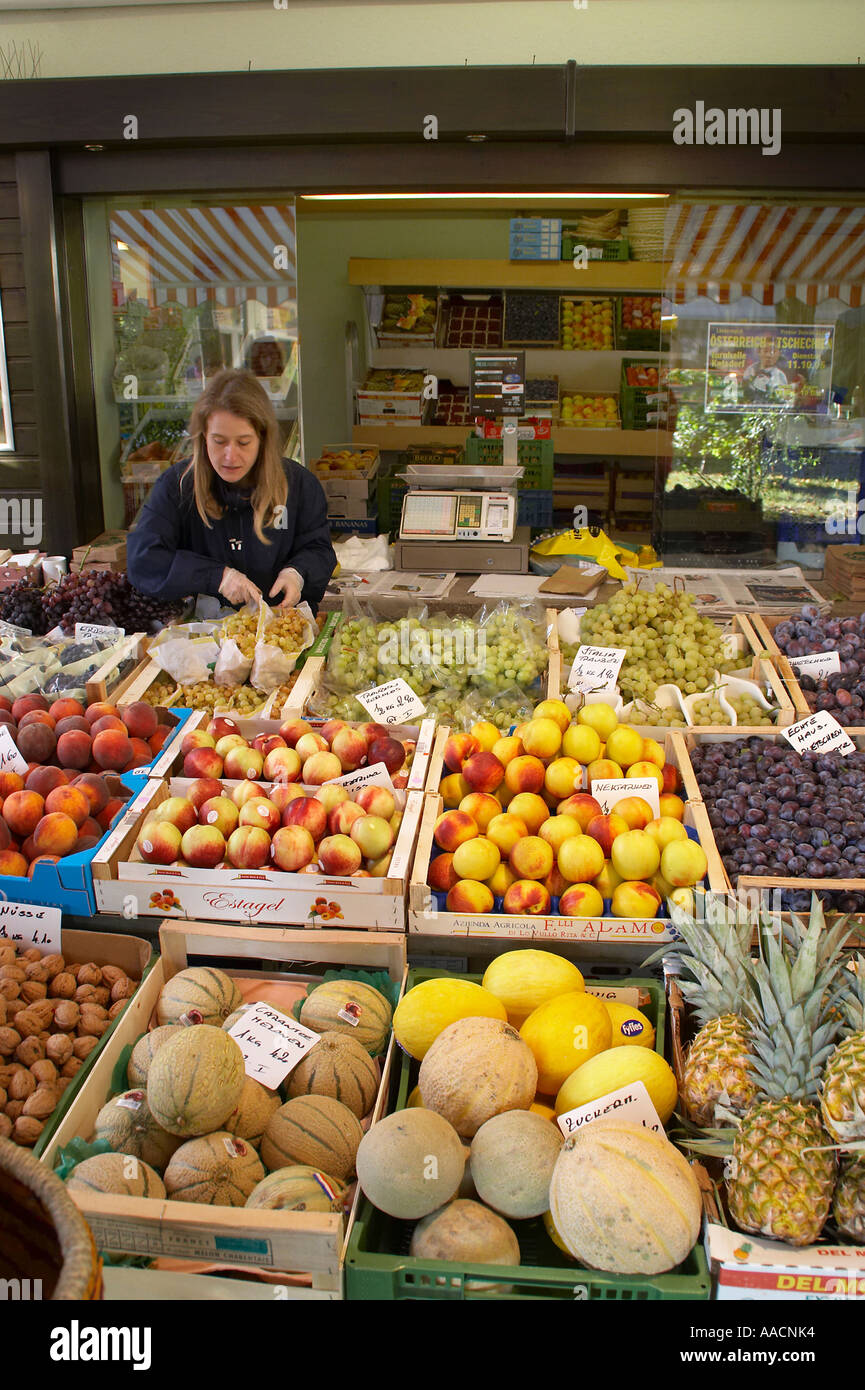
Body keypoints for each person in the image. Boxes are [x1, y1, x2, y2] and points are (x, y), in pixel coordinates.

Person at [127, 369, 336, 612]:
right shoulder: (177, 486)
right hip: (200, 639)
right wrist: (217, 576)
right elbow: (143, 559)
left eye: (243, 442)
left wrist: (297, 574)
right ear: (203, 436)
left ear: (263, 438)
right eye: (219, 441)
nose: (230, 455)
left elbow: (318, 549)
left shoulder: (300, 485)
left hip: (282, 629)